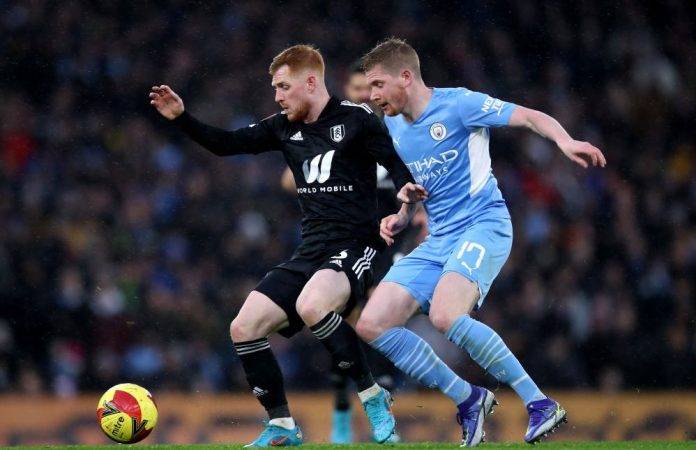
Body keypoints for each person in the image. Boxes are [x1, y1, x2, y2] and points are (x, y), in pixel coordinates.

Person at [150, 44, 420, 447]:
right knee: (243, 327)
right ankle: (281, 425)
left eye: (282, 87)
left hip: (356, 244)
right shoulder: (282, 127)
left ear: (310, 82)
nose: (277, 96)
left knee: (313, 305)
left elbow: (396, 167)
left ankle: (373, 396)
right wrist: (182, 118)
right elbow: (227, 144)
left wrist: (405, 197)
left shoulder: (357, 119)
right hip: (310, 251)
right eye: (275, 88)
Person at [355, 38, 606, 447]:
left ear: (406, 77)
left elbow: (528, 116)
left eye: (378, 84)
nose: (372, 95)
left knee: (445, 315)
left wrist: (564, 141)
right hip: (439, 237)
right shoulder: (393, 126)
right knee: (372, 323)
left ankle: (539, 402)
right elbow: (418, 187)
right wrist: (401, 215)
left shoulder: (459, 104)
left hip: (483, 224)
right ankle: (468, 398)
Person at [280, 60, 401, 444]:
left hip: (388, 242)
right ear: (347, 93)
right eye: (358, 89)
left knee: (378, 320)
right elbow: (289, 178)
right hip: (348, 239)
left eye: (370, 89)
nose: (365, 96)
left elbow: (414, 179)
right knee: (341, 320)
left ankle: (380, 399)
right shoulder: (341, 134)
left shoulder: (394, 132)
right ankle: (343, 407)